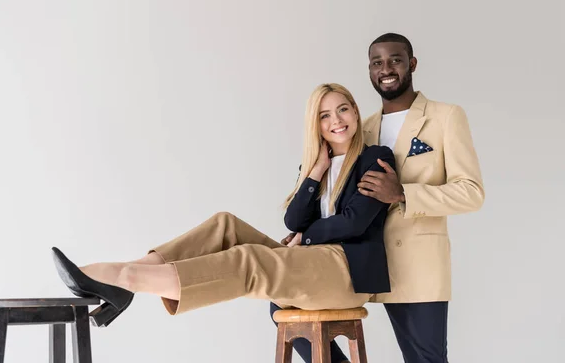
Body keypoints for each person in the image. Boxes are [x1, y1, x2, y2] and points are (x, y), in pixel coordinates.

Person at [51, 83, 396, 334]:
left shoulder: (374, 158)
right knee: (224, 224)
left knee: (249, 259)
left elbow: (353, 223)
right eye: (325, 115)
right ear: (315, 125)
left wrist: (306, 236)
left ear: (355, 110)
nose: (337, 120)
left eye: (343, 109)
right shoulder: (315, 165)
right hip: (306, 263)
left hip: (345, 271)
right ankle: (127, 270)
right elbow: (292, 218)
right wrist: (316, 172)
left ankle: (127, 280)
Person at [270, 33, 485, 363]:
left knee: (425, 359)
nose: (386, 69)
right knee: (283, 306)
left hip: (417, 267)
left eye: (395, 60)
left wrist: (403, 194)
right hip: (360, 265)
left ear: (412, 64)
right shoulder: (359, 127)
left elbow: (472, 192)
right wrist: (305, 232)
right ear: (369, 71)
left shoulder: (446, 117)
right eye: (377, 62)